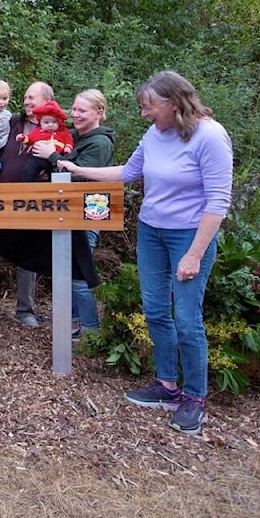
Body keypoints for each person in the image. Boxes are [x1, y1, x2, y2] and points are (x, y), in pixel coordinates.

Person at [57, 71, 232, 435]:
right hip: (152, 231)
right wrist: (77, 169)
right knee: (154, 310)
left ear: (173, 103)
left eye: (148, 107)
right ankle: (168, 385)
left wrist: (195, 253)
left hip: (189, 236)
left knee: (186, 317)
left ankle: (194, 399)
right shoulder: (156, 134)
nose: (144, 114)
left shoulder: (211, 136)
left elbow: (218, 201)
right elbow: (128, 172)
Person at [32, 89, 115, 334]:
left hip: (89, 210)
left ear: (99, 112)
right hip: (68, 210)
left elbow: (80, 178)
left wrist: (52, 156)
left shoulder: (99, 143)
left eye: (82, 110)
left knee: (79, 271)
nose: (75, 114)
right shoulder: (75, 136)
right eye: (74, 109)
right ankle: (74, 322)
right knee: (65, 268)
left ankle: (91, 330)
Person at [0, 81, 53, 330]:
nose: (26, 101)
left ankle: (25, 310)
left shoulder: (53, 128)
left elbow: (63, 160)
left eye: (32, 97)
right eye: (26, 97)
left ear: (47, 101)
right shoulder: (10, 121)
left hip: (31, 201)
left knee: (28, 255)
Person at [17, 100, 74, 182]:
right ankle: (26, 187)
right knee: (28, 170)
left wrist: (68, 147)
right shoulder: (38, 131)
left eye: (54, 122)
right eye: (46, 122)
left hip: (55, 158)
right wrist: (22, 138)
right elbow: (29, 139)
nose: (50, 125)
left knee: (56, 173)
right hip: (37, 157)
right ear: (41, 123)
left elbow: (68, 140)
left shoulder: (63, 132)